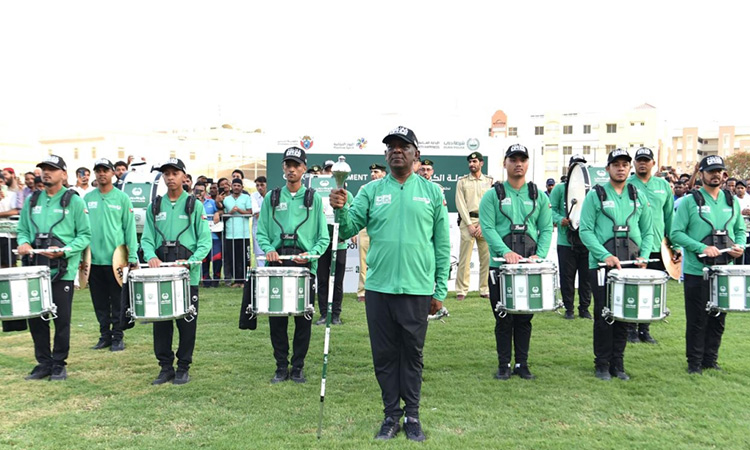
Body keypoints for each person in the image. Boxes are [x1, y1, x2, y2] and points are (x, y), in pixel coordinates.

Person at [329, 126, 450, 442]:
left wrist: (439, 290)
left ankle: (412, 416)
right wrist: (339, 210)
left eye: (404, 146)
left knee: (412, 354)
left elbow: (442, 244)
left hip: (417, 288)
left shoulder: (432, 192)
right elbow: (346, 230)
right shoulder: (371, 192)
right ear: (385, 155)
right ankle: (390, 416)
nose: (397, 150)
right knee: (384, 355)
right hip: (379, 288)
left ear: (416, 155)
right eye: (392, 147)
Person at [256, 147, 329, 384]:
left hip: (304, 268)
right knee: (277, 319)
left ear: (304, 168)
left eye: (296, 165)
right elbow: (263, 232)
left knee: (303, 319)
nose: (291, 169)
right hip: (276, 266)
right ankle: (280, 366)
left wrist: (312, 254)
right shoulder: (272, 197)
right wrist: (269, 249)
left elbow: (323, 237)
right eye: (288, 164)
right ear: (283, 168)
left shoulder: (313, 198)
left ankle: (297, 366)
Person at [579, 149, 653, 381]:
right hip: (601, 265)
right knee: (604, 314)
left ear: (629, 168)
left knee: (623, 313)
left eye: (624, 164)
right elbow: (585, 230)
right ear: (608, 168)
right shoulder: (596, 194)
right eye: (616, 164)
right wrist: (604, 255)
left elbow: (648, 231)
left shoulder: (637, 195)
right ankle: (601, 364)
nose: (621, 168)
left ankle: (617, 364)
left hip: (630, 263)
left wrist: (644, 255)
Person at [480, 144, 553, 381]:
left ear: (528, 163)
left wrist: (538, 256)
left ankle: (522, 363)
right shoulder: (493, 195)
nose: (518, 163)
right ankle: (504, 364)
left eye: (522, 159)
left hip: (529, 267)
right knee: (503, 317)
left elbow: (545, 229)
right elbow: (488, 228)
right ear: (505, 163)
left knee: (524, 318)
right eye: (513, 159)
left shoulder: (538, 195)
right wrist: (505, 251)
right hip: (500, 267)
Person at [16, 155, 92, 381]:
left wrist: (65, 250)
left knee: (61, 319)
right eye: (43, 169)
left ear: (64, 174)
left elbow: (85, 235)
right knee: (36, 318)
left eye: (52, 169)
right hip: (35, 268)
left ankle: (59, 363)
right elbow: (22, 230)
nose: (46, 173)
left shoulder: (74, 200)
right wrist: (24, 242)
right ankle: (43, 363)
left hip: (62, 270)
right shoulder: (32, 200)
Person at [671, 155, 746, 374]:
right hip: (697, 271)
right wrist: (700, 247)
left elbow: (740, 230)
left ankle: (710, 360)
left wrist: (739, 244)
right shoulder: (688, 201)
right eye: (711, 171)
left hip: (724, 269)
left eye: (719, 171)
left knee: (719, 317)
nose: (716, 175)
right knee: (697, 318)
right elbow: (676, 233)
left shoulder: (731, 200)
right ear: (701, 174)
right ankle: (694, 362)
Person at [140, 158, 211, 385]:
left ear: (184, 177)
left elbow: (205, 241)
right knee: (161, 321)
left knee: (186, 322)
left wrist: (192, 261)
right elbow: (147, 238)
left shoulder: (194, 205)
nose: (170, 177)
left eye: (175, 173)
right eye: (166, 173)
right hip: (161, 273)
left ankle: (183, 366)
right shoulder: (155, 206)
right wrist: (150, 256)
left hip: (187, 275)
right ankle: (165, 367)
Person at [84, 158, 138, 352]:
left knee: (117, 300)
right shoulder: (88, 198)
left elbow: (129, 228)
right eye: (98, 170)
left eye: (105, 170)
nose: (101, 174)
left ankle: (118, 336)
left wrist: (132, 256)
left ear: (113, 173)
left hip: (116, 260)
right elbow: (81, 228)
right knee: (99, 301)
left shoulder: (122, 198)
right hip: (93, 260)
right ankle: (104, 335)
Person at [625, 147, 676, 344]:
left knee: (651, 289)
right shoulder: (627, 184)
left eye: (646, 160)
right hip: (633, 246)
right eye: (639, 160)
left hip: (658, 247)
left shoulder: (663, 186)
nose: (643, 163)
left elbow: (670, 217)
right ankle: (630, 328)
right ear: (634, 164)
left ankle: (644, 329)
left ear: (653, 163)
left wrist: (675, 245)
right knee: (632, 287)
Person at [550, 155, 592, 320]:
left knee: (586, 277)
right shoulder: (560, 189)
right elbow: (550, 210)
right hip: (565, 241)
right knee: (567, 277)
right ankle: (569, 308)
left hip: (586, 241)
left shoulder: (591, 190)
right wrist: (561, 220)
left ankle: (584, 308)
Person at [455, 152, 493, 301]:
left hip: (485, 223)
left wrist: (483, 224)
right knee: (465, 258)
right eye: (470, 162)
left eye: (475, 161)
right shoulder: (462, 182)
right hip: (467, 221)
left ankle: (485, 289)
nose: (472, 164)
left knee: (487, 258)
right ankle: (462, 290)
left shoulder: (489, 181)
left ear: (481, 163)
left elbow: (491, 204)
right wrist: (470, 224)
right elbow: (460, 204)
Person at [314, 186, 352, 326]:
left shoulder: (349, 195)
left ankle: (336, 314)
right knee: (323, 280)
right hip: (322, 243)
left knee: (337, 282)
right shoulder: (318, 195)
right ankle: (324, 314)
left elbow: (350, 218)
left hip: (340, 243)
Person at [355, 163, 387, 302]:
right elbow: (357, 212)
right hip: (365, 229)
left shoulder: (388, 188)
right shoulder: (364, 188)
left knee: (383, 260)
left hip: (382, 229)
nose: (373, 174)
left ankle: (382, 289)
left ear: (384, 174)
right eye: (372, 172)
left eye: (376, 171)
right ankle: (362, 292)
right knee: (363, 261)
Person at [223, 178, 253, 287]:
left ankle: (245, 281)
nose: (236, 187)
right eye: (234, 185)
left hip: (243, 234)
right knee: (233, 258)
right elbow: (223, 214)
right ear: (231, 187)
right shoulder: (226, 199)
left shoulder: (246, 198)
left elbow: (250, 212)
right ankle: (236, 281)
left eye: (238, 186)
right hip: (230, 234)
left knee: (244, 258)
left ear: (242, 187)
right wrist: (231, 212)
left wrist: (239, 210)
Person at [195, 182, 222, 287]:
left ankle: (216, 280)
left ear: (205, 191)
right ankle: (205, 280)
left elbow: (221, 210)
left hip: (213, 236)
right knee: (203, 259)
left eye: (201, 191)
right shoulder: (191, 203)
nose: (199, 193)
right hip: (198, 237)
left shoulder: (210, 202)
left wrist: (217, 213)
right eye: (197, 190)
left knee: (217, 258)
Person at [250, 176, 267, 267]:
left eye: (262, 185)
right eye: (257, 185)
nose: (260, 187)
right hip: (258, 228)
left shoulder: (272, 194)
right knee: (259, 254)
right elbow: (256, 212)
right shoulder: (253, 196)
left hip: (271, 229)